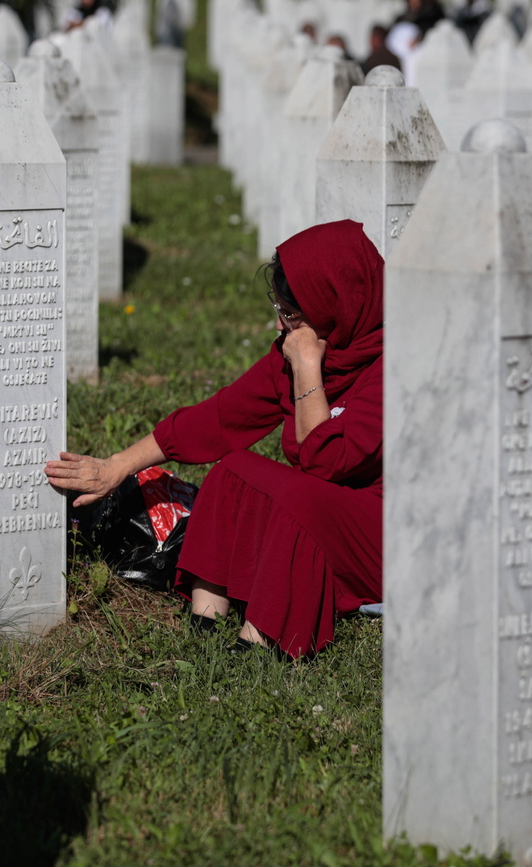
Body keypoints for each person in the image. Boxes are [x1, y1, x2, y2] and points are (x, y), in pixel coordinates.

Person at [45, 221, 383, 659]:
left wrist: (307, 369)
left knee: (298, 503)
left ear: (335, 305)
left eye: (291, 314)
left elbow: (327, 461)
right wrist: (116, 467)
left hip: (379, 535)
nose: (279, 325)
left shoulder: (391, 366)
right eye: (278, 308)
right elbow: (220, 419)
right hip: (321, 510)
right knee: (233, 469)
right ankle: (206, 621)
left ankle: (265, 642)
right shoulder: (303, 347)